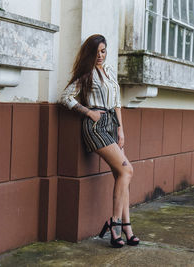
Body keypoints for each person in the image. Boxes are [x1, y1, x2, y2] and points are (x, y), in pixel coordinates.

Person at [59, 34, 139, 248]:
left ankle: (127, 227)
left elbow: (117, 102)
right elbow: (65, 97)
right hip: (95, 127)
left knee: (122, 175)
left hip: (112, 125)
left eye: (103, 51)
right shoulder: (86, 75)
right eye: (96, 52)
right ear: (90, 54)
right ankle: (115, 224)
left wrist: (121, 129)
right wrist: (88, 112)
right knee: (127, 170)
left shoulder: (110, 72)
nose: (100, 56)